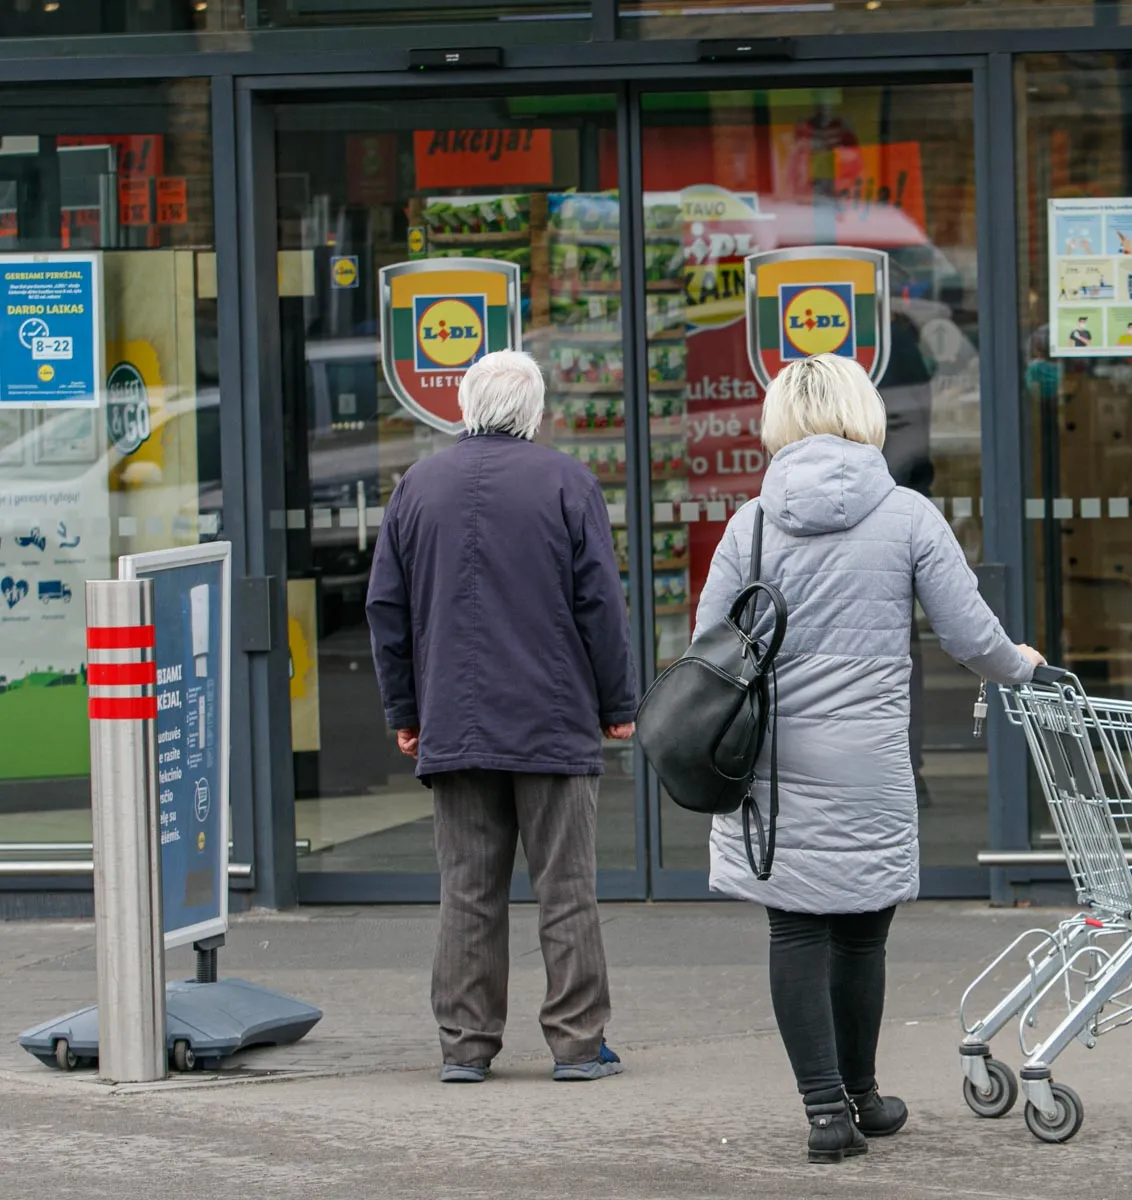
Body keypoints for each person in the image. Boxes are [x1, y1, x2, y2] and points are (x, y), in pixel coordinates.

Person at [694, 353, 1045, 1164]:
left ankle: (824, 1111)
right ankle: (863, 1093)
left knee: (794, 932)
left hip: (775, 766)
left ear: (779, 420)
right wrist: (1024, 666)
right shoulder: (908, 515)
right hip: (871, 761)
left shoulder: (748, 525)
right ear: (865, 415)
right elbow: (970, 636)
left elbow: (708, 649)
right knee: (861, 935)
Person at [366, 349, 639, 1086]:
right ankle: (579, 1044)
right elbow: (599, 607)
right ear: (535, 412)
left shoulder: (417, 487)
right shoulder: (565, 481)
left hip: (454, 720)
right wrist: (619, 704)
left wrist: (405, 708)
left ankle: (465, 1045)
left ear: (465, 406)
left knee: (467, 890)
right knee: (566, 887)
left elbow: (386, 608)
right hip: (551, 722)